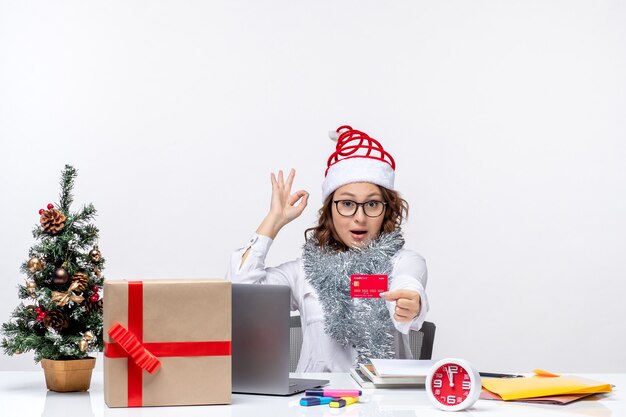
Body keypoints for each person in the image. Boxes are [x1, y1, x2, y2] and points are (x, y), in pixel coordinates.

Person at [226, 125, 428, 372]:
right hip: (316, 402)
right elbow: (238, 293)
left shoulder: (403, 262)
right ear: (330, 210)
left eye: (372, 204)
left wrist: (410, 304)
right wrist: (274, 220)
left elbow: (408, 284)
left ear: (387, 209)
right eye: (347, 203)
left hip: (385, 402)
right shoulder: (303, 271)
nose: (359, 217)